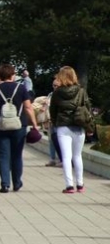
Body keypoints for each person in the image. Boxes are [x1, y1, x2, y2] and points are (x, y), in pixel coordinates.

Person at [0, 64, 38, 193]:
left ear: (0, 75)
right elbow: (28, 107)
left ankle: (5, 184)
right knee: (17, 155)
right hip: (19, 125)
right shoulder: (21, 88)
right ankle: (17, 182)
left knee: (3, 155)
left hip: (1, 125)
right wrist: (35, 123)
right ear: (12, 74)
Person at [50, 66, 93, 194]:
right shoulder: (81, 91)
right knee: (77, 156)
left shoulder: (57, 92)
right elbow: (88, 108)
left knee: (66, 156)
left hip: (63, 126)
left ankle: (69, 185)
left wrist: (55, 122)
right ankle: (80, 184)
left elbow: (53, 110)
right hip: (79, 125)